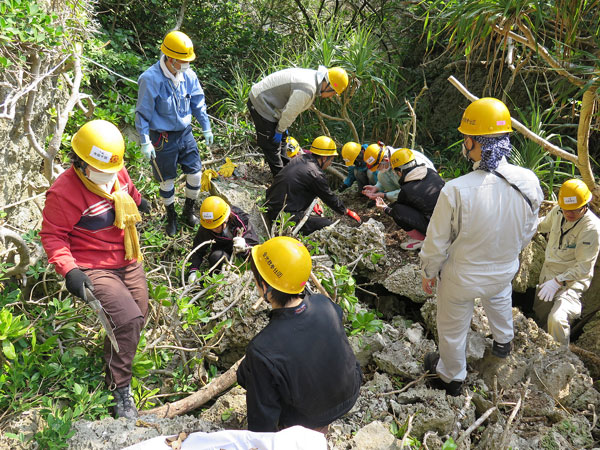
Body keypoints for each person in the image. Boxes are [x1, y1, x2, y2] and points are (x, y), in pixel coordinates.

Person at [419, 97, 543, 396]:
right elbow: (529, 230)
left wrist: (428, 271)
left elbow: (436, 242)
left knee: (452, 325)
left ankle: (452, 376)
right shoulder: (528, 181)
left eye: (466, 138)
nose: (464, 143)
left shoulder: (457, 189)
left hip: (462, 277)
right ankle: (503, 341)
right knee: (500, 298)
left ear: (475, 143)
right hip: (503, 270)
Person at [40, 120, 151, 419]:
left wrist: (141, 203)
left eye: (113, 172)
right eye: (101, 172)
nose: (108, 179)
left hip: (127, 257)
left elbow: (129, 190)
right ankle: (119, 387)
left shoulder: (115, 172)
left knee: (139, 313)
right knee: (127, 319)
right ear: (81, 162)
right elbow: (52, 236)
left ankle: (114, 355)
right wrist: (69, 270)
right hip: (93, 264)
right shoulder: (64, 192)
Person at [237, 236, 362, 432]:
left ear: (266, 288)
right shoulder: (324, 303)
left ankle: (293, 428)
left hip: (311, 416)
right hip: (350, 390)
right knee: (249, 369)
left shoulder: (262, 348)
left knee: (251, 372)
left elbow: (262, 423)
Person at [135, 30, 214, 236]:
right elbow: (142, 114)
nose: (186, 65)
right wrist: (145, 141)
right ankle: (171, 216)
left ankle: (188, 210)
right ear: (170, 58)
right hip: (162, 137)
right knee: (167, 179)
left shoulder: (188, 75)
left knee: (195, 173)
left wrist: (205, 126)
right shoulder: (150, 79)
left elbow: (198, 102)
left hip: (185, 133)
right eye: (182, 60)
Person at [247, 66, 349, 176]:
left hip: (273, 103)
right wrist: (280, 129)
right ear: (328, 85)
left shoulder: (313, 79)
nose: (331, 96)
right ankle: (280, 180)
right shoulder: (307, 89)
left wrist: (282, 129)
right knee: (271, 143)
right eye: (333, 93)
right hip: (262, 100)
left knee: (282, 142)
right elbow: (290, 112)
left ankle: (286, 172)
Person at [534, 179, 600, 345]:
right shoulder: (558, 212)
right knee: (539, 322)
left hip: (570, 283)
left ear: (585, 205)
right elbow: (542, 225)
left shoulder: (591, 228)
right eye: (566, 209)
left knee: (557, 320)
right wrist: (525, 226)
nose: (569, 214)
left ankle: (560, 359)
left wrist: (558, 281)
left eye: (575, 210)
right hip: (547, 277)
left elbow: (584, 267)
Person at [265, 136, 361, 235]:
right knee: (329, 225)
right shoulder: (315, 173)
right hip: (282, 216)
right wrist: (346, 211)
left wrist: (313, 203)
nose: (330, 163)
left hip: (272, 207)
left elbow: (301, 186)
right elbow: (328, 197)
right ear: (324, 158)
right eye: (331, 160)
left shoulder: (300, 159)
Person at [374, 148, 445, 251]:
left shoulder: (407, 190)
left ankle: (423, 240)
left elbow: (397, 211)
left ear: (399, 172)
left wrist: (385, 208)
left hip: (438, 230)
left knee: (398, 209)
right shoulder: (431, 172)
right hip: (451, 221)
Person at [188, 196, 259, 281]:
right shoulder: (207, 225)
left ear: (226, 218)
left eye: (216, 226)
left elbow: (255, 247)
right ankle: (212, 282)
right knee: (217, 257)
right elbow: (197, 250)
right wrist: (193, 270)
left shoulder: (240, 220)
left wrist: (244, 247)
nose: (213, 229)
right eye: (211, 227)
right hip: (223, 253)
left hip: (242, 256)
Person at [362, 142, 435, 202]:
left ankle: (405, 203)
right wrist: (377, 187)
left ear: (386, 160)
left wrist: (384, 195)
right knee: (381, 175)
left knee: (399, 210)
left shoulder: (405, 163)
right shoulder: (390, 160)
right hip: (412, 186)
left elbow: (412, 190)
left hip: (425, 191)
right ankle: (401, 201)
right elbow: (387, 176)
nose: (378, 170)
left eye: (378, 167)